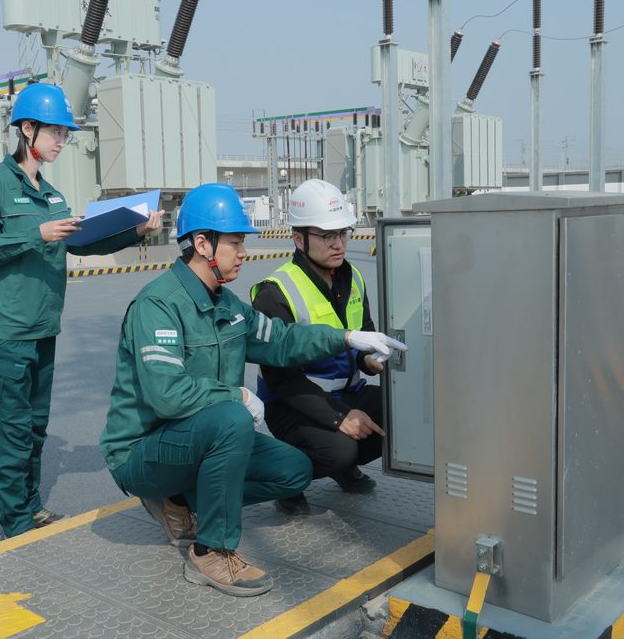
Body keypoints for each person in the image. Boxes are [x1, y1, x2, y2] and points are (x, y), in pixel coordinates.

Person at [98, 183, 405, 597]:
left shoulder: (228, 305)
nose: (243, 253)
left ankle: (179, 501)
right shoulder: (159, 306)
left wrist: (347, 338)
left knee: (294, 471)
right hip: (144, 450)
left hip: (199, 438)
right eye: (236, 243)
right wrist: (237, 397)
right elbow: (168, 395)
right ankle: (211, 551)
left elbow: (282, 340)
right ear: (202, 244)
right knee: (231, 418)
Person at [0, 82, 163, 539]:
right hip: (6, 334)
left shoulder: (52, 196)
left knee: (35, 427)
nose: (62, 141)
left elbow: (81, 243)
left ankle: (30, 506)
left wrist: (135, 232)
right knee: (13, 429)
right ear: (27, 129)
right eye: (56, 132)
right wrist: (36, 233)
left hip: (43, 329)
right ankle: (15, 520)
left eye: (65, 134)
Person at [251, 179, 386, 516]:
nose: (338, 244)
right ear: (299, 239)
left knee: (402, 415)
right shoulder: (275, 293)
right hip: (293, 404)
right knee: (339, 450)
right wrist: (340, 418)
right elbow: (281, 379)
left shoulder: (353, 277)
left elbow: (364, 332)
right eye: (327, 236)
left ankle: (343, 464)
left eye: (342, 233)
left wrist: (369, 360)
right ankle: (286, 478)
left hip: (346, 393)